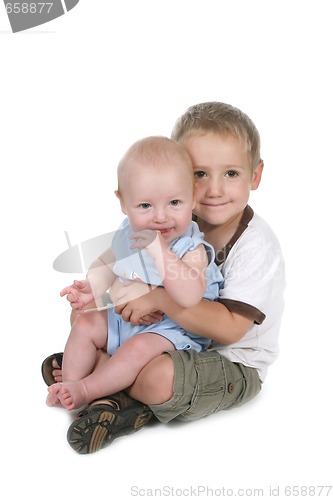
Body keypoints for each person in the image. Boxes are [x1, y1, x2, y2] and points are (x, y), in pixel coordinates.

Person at [42, 101, 285, 454]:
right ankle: (95, 387)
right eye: (200, 174)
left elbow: (232, 329)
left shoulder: (255, 246)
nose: (213, 189)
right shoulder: (173, 216)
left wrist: (153, 298)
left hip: (230, 361)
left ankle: (105, 389)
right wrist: (94, 291)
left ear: (255, 175)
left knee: (158, 378)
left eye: (231, 173)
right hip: (159, 335)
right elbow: (114, 261)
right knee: (84, 316)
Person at [46, 136, 223, 411]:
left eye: (175, 202)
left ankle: (86, 389)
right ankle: (70, 385)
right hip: (127, 319)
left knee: (136, 350)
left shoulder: (191, 247)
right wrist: (90, 288)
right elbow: (107, 262)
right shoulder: (128, 232)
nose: (161, 217)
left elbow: (190, 296)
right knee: (84, 324)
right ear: (123, 202)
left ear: (194, 196)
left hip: (173, 330)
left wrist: (160, 252)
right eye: (145, 206)